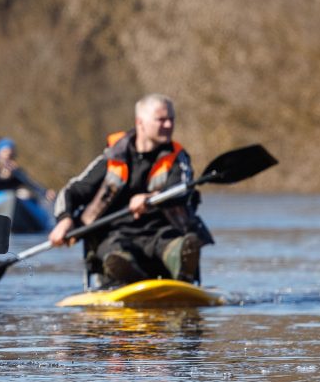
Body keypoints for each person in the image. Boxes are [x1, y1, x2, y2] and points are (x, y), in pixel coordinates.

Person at [46, 94, 213, 288]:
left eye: (171, 119)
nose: (168, 125)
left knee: (180, 243)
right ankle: (126, 273)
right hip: (116, 236)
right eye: (161, 120)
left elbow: (181, 191)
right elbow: (71, 191)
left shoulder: (178, 157)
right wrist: (64, 220)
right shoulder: (112, 157)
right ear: (140, 122)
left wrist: (151, 199)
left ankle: (181, 263)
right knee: (116, 252)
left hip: (163, 234)